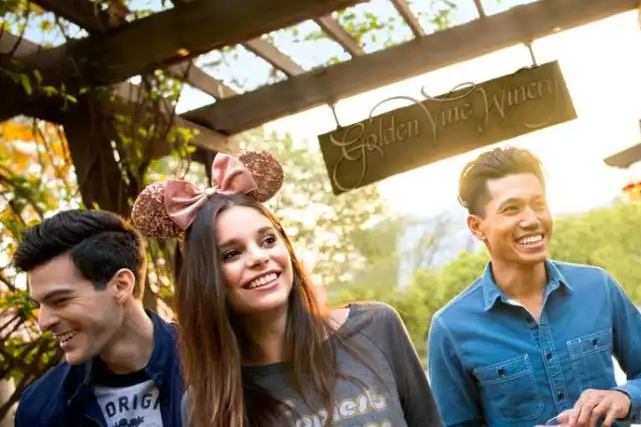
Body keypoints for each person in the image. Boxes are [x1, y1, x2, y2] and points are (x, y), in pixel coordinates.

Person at [129, 149, 442, 427]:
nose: (260, 258)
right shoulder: (205, 405)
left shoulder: (376, 328)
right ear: (204, 281)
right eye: (232, 254)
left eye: (267, 240)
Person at [426, 147, 641, 427]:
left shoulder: (598, 287)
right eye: (511, 208)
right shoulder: (451, 328)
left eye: (539, 204)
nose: (532, 220)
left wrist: (624, 398)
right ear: (477, 227)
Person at [12, 209, 184, 427]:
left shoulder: (217, 363)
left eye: (60, 300)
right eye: (39, 305)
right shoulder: (39, 408)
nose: (43, 322)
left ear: (121, 285)